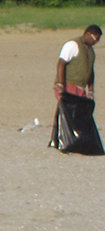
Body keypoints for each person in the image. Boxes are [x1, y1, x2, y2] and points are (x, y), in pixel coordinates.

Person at [52, 25, 104, 154]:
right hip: (69, 84)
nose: (95, 42)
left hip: (80, 87)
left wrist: (90, 89)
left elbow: (90, 71)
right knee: (68, 114)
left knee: (79, 116)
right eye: (94, 38)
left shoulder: (91, 51)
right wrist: (60, 84)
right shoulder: (72, 45)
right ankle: (64, 142)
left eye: (97, 40)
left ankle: (77, 143)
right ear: (87, 34)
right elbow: (61, 64)